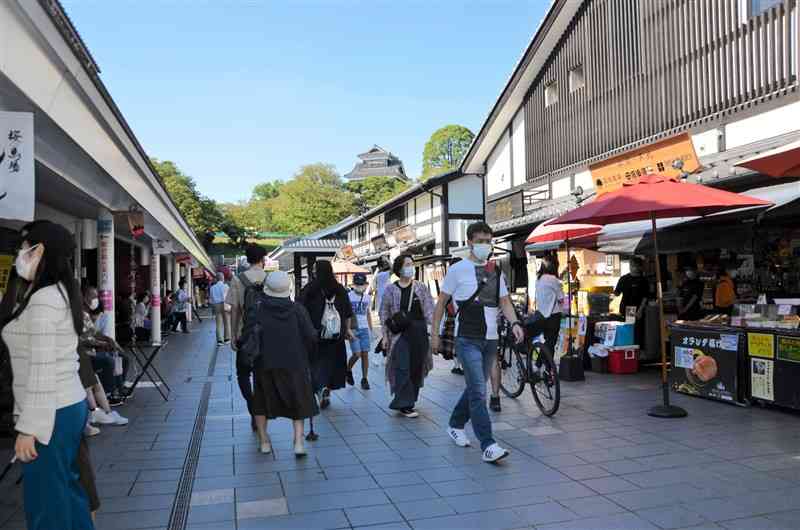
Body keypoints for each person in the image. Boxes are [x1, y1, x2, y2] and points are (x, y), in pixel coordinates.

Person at [0, 221, 95, 529]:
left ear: (39, 250)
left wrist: (30, 429)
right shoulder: (60, 293)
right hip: (66, 406)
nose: (19, 254)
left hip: (49, 412)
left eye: (22, 247)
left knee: (46, 504)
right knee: (67, 492)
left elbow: (41, 369)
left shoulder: (42, 300)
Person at [431, 222, 524, 464]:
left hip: (491, 339)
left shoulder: (496, 271)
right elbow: (441, 303)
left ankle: (455, 424)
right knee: (478, 392)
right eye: (481, 240)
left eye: (488, 240)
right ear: (470, 242)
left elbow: (504, 302)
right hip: (467, 339)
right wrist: (434, 334)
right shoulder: (458, 270)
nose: (485, 245)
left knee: (475, 387)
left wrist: (514, 323)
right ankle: (488, 444)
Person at [247, 271, 318, 456]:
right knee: (298, 401)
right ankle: (298, 443)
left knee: (261, 402)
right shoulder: (297, 310)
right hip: (295, 363)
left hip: (264, 364)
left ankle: (264, 442)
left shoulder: (258, 308)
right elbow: (311, 336)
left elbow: (247, 335)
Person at [380, 255, 434, 417]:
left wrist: (436, 329)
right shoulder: (391, 289)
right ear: (399, 268)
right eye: (407, 264)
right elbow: (384, 311)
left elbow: (429, 309)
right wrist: (384, 335)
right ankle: (403, 404)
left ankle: (410, 400)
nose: (411, 267)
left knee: (416, 368)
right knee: (402, 367)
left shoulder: (421, 287)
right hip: (400, 335)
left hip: (420, 333)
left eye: (412, 264)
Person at [298, 260, 354, 409]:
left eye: (315, 269)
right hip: (335, 334)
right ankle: (327, 388)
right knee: (332, 363)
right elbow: (348, 312)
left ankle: (320, 388)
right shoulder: (340, 289)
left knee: (315, 363)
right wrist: (347, 329)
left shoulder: (309, 289)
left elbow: (300, 310)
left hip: (315, 334)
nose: (313, 272)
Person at [226, 244, 267, 431]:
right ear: (263, 259)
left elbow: (234, 309)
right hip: (268, 336)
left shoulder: (237, 279)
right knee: (263, 373)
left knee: (243, 373)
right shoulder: (271, 278)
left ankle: (253, 407)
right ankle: (262, 409)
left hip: (246, 335)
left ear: (247, 259)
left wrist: (233, 335)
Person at [525, 255, 564, 356]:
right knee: (551, 342)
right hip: (554, 315)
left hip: (541, 314)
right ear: (554, 266)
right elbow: (561, 298)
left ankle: (543, 366)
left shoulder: (539, 279)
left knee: (547, 341)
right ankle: (545, 367)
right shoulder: (553, 279)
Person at [346, 273, 373, 390]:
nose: (360, 286)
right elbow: (346, 314)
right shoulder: (348, 296)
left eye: (361, 284)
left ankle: (364, 379)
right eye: (357, 284)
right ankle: (348, 369)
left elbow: (367, 313)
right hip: (353, 329)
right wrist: (347, 329)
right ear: (354, 284)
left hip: (364, 329)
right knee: (357, 354)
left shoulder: (367, 297)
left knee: (365, 354)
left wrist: (371, 329)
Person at [614, 257, 649, 346]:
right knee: (628, 330)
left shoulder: (643, 280)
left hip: (637, 308)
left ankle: (636, 351)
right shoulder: (624, 279)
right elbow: (617, 293)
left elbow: (645, 297)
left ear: (640, 267)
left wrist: (640, 310)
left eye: (636, 266)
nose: (634, 268)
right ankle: (628, 349)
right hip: (626, 308)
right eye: (632, 265)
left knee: (637, 332)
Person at [209, 272, 230, 346]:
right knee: (226, 322)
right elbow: (229, 297)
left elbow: (211, 300)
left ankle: (219, 341)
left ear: (216, 279)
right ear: (222, 278)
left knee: (218, 324)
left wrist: (212, 308)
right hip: (225, 304)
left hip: (216, 305)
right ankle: (227, 339)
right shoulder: (226, 286)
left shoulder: (212, 288)